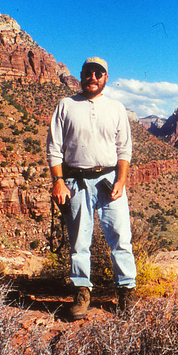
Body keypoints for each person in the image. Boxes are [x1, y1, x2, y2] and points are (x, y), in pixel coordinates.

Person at [46, 56, 137, 319]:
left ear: (106, 78)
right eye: (89, 72)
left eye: (99, 73)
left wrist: (121, 180)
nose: (93, 77)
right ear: (82, 74)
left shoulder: (116, 108)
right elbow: (54, 148)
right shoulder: (65, 105)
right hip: (75, 182)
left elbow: (124, 148)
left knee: (120, 237)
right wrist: (58, 181)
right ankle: (81, 292)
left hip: (110, 181)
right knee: (78, 242)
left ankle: (126, 293)